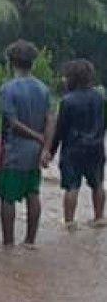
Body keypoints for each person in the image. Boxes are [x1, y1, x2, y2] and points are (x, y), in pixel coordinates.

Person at [0, 40, 53, 247]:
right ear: (32, 63)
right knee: (33, 192)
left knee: (7, 196)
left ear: (11, 63)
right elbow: (50, 119)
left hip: (14, 149)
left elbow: (13, 123)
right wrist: (45, 146)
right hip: (35, 151)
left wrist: (37, 137)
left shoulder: (8, 89)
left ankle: (8, 243)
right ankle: (30, 240)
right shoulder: (43, 89)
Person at [46, 59, 106, 230]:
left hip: (73, 150)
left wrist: (50, 151)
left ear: (73, 78)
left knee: (72, 186)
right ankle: (99, 217)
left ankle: (69, 222)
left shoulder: (67, 101)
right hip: (96, 148)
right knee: (98, 183)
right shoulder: (100, 98)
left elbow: (60, 129)